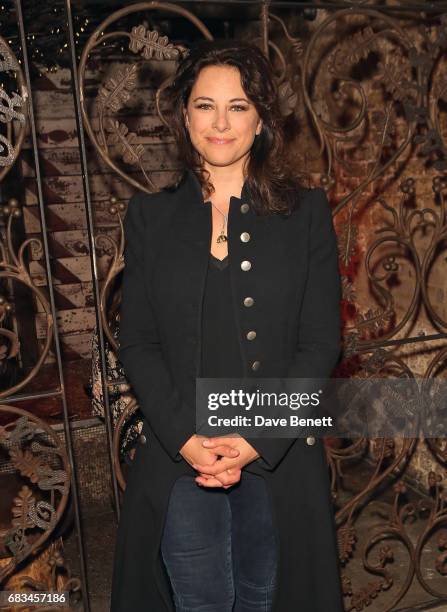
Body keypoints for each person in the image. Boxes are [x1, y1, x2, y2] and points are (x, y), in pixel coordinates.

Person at [111, 39, 344, 612]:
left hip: (276, 452)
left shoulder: (305, 214)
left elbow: (320, 343)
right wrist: (188, 441)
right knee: (201, 598)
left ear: (261, 119)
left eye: (238, 106)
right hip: (178, 453)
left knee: (268, 597)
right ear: (183, 114)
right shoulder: (150, 217)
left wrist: (253, 439)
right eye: (205, 105)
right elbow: (137, 341)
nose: (220, 122)